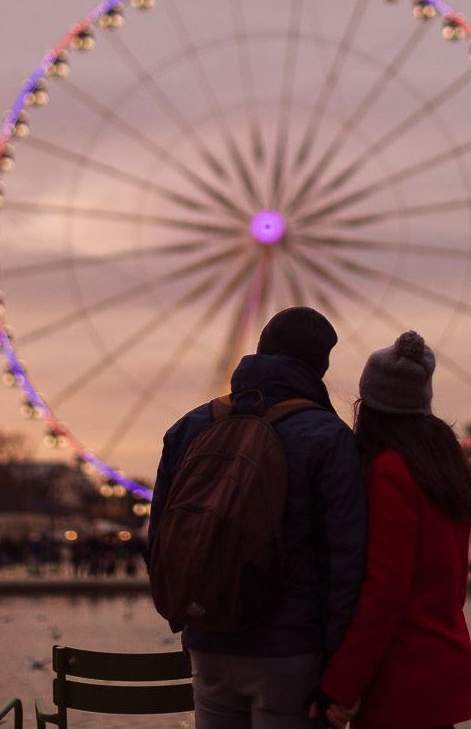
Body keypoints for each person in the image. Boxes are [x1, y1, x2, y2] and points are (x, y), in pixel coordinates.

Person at [148, 306, 366, 729]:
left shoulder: (189, 428)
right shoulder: (328, 436)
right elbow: (345, 561)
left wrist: (186, 618)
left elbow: (160, 538)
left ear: (260, 349)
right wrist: (339, 664)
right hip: (290, 648)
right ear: (318, 367)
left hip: (207, 635)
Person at [311, 331, 471, 729]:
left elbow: (386, 592)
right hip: (445, 665)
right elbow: (457, 587)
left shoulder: (390, 471)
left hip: (400, 678)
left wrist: (340, 686)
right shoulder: (447, 465)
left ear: (370, 404)